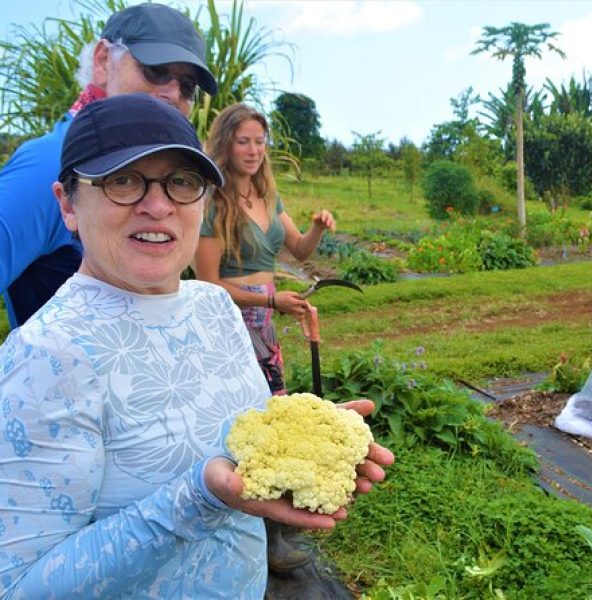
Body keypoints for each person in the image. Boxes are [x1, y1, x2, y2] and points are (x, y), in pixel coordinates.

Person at [0, 93, 393, 598]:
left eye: (182, 182)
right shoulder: (45, 355)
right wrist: (202, 496)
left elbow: (236, 432)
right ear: (67, 204)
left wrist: (304, 438)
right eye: (122, 180)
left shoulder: (213, 306)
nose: (158, 204)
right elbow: (21, 587)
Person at [0, 2, 217, 330]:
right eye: (154, 70)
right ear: (103, 60)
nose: (172, 92)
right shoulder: (49, 164)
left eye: (187, 86)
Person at [195, 103, 336, 395]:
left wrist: (317, 229)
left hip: (265, 322)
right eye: (243, 142)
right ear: (226, 145)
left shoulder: (268, 197)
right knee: (242, 404)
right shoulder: (214, 204)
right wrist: (271, 302)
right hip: (230, 322)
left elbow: (299, 249)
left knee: (271, 405)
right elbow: (208, 284)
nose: (253, 151)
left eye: (259, 142)